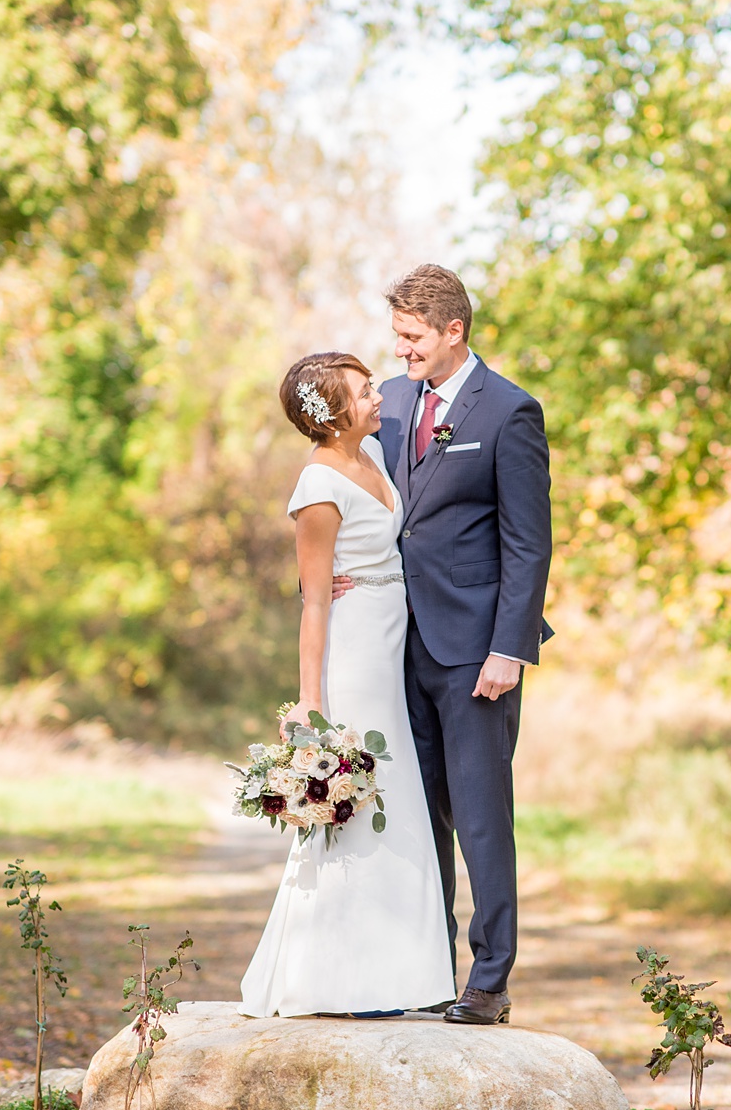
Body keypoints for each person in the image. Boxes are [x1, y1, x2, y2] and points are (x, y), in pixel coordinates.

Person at [337, 264, 554, 1025]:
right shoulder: (391, 403)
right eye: (397, 335)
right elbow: (362, 497)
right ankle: (427, 969)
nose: (400, 352)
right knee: (417, 812)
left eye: (412, 337)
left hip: (475, 654)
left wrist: (510, 647)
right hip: (398, 642)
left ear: (453, 331)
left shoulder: (510, 412)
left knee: (480, 815)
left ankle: (489, 980)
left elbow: (529, 545)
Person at [237, 351, 456, 1019]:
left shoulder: (374, 458)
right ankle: (344, 979)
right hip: (356, 647)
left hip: (395, 637)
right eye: (365, 392)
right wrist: (309, 699)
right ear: (332, 412)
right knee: (364, 793)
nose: (378, 398)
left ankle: (401, 975)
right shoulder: (317, 484)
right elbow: (313, 601)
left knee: (402, 797)